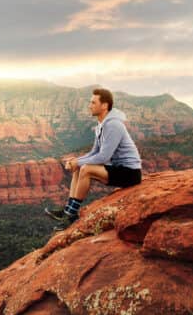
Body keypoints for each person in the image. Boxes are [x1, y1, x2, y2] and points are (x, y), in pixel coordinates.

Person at [45, 88, 142, 228]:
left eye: (93, 103)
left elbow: (103, 156)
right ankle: (68, 210)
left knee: (86, 169)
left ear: (104, 105)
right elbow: (94, 152)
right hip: (117, 169)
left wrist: (78, 162)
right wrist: (75, 161)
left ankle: (71, 215)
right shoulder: (101, 125)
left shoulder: (113, 125)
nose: (89, 106)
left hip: (129, 173)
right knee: (79, 167)